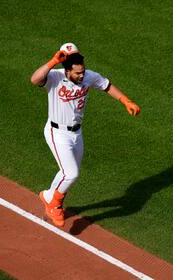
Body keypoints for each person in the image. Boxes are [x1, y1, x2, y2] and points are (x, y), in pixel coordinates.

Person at [30, 43, 140, 227]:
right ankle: (54, 205)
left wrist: (125, 100)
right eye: (77, 73)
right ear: (66, 70)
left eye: (83, 72)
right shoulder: (54, 77)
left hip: (77, 133)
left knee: (68, 172)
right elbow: (34, 79)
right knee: (71, 173)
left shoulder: (88, 76)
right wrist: (53, 61)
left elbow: (107, 86)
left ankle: (48, 195)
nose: (81, 76)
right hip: (57, 132)